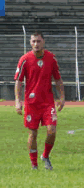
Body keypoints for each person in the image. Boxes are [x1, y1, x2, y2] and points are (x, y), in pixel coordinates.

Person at [14, 31, 65, 170]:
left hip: (48, 102)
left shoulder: (51, 58)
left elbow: (58, 79)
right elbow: (18, 82)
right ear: (30, 43)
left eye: (38, 41)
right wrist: (18, 101)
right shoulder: (25, 59)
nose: (36, 44)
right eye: (33, 41)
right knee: (33, 133)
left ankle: (46, 156)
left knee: (52, 130)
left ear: (43, 42)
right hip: (31, 103)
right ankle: (34, 165)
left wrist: (62, 97)